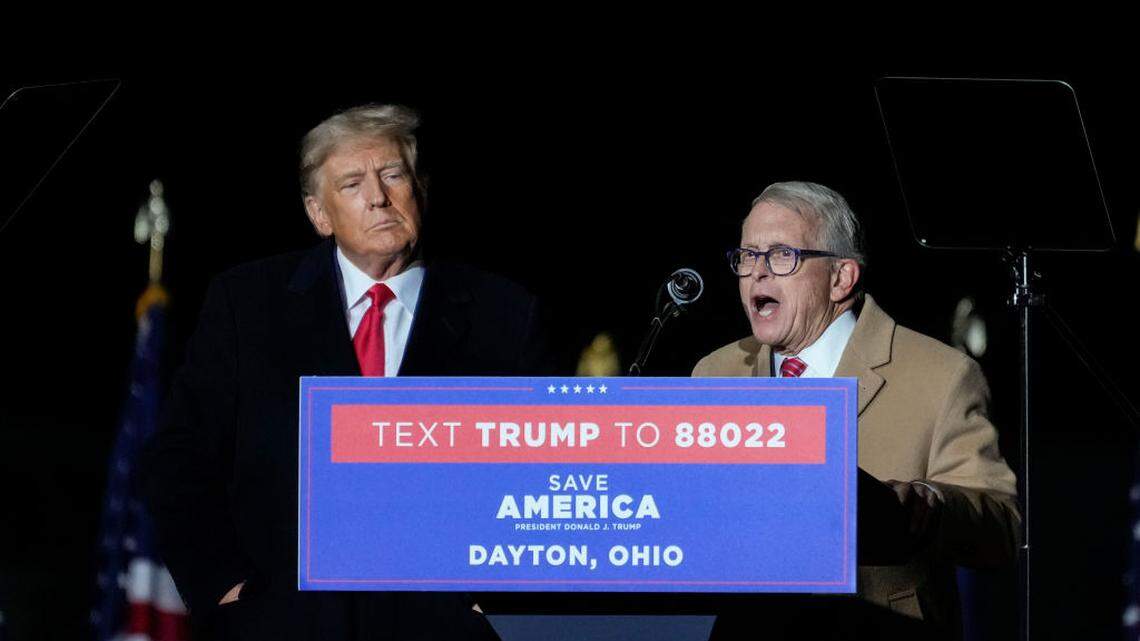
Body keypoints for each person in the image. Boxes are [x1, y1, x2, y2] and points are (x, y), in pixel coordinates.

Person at [142, 104, 548, 640]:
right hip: (283, 624)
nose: (378, 196)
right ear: (319, 214)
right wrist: (225, 590)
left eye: (393, 174)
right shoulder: (247, 304)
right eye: (353, 183)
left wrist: (493, 602)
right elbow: (180, 459)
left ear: (420, 187)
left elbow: (542, 472)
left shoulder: (505, 314)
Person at [692, 181, 1019, 640]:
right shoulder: (716, 373)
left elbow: (1000, 526)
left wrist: (931, 505)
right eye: (747, 256)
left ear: (841, 277)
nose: (757, 274)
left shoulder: (940, 375)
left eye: (781, 255)